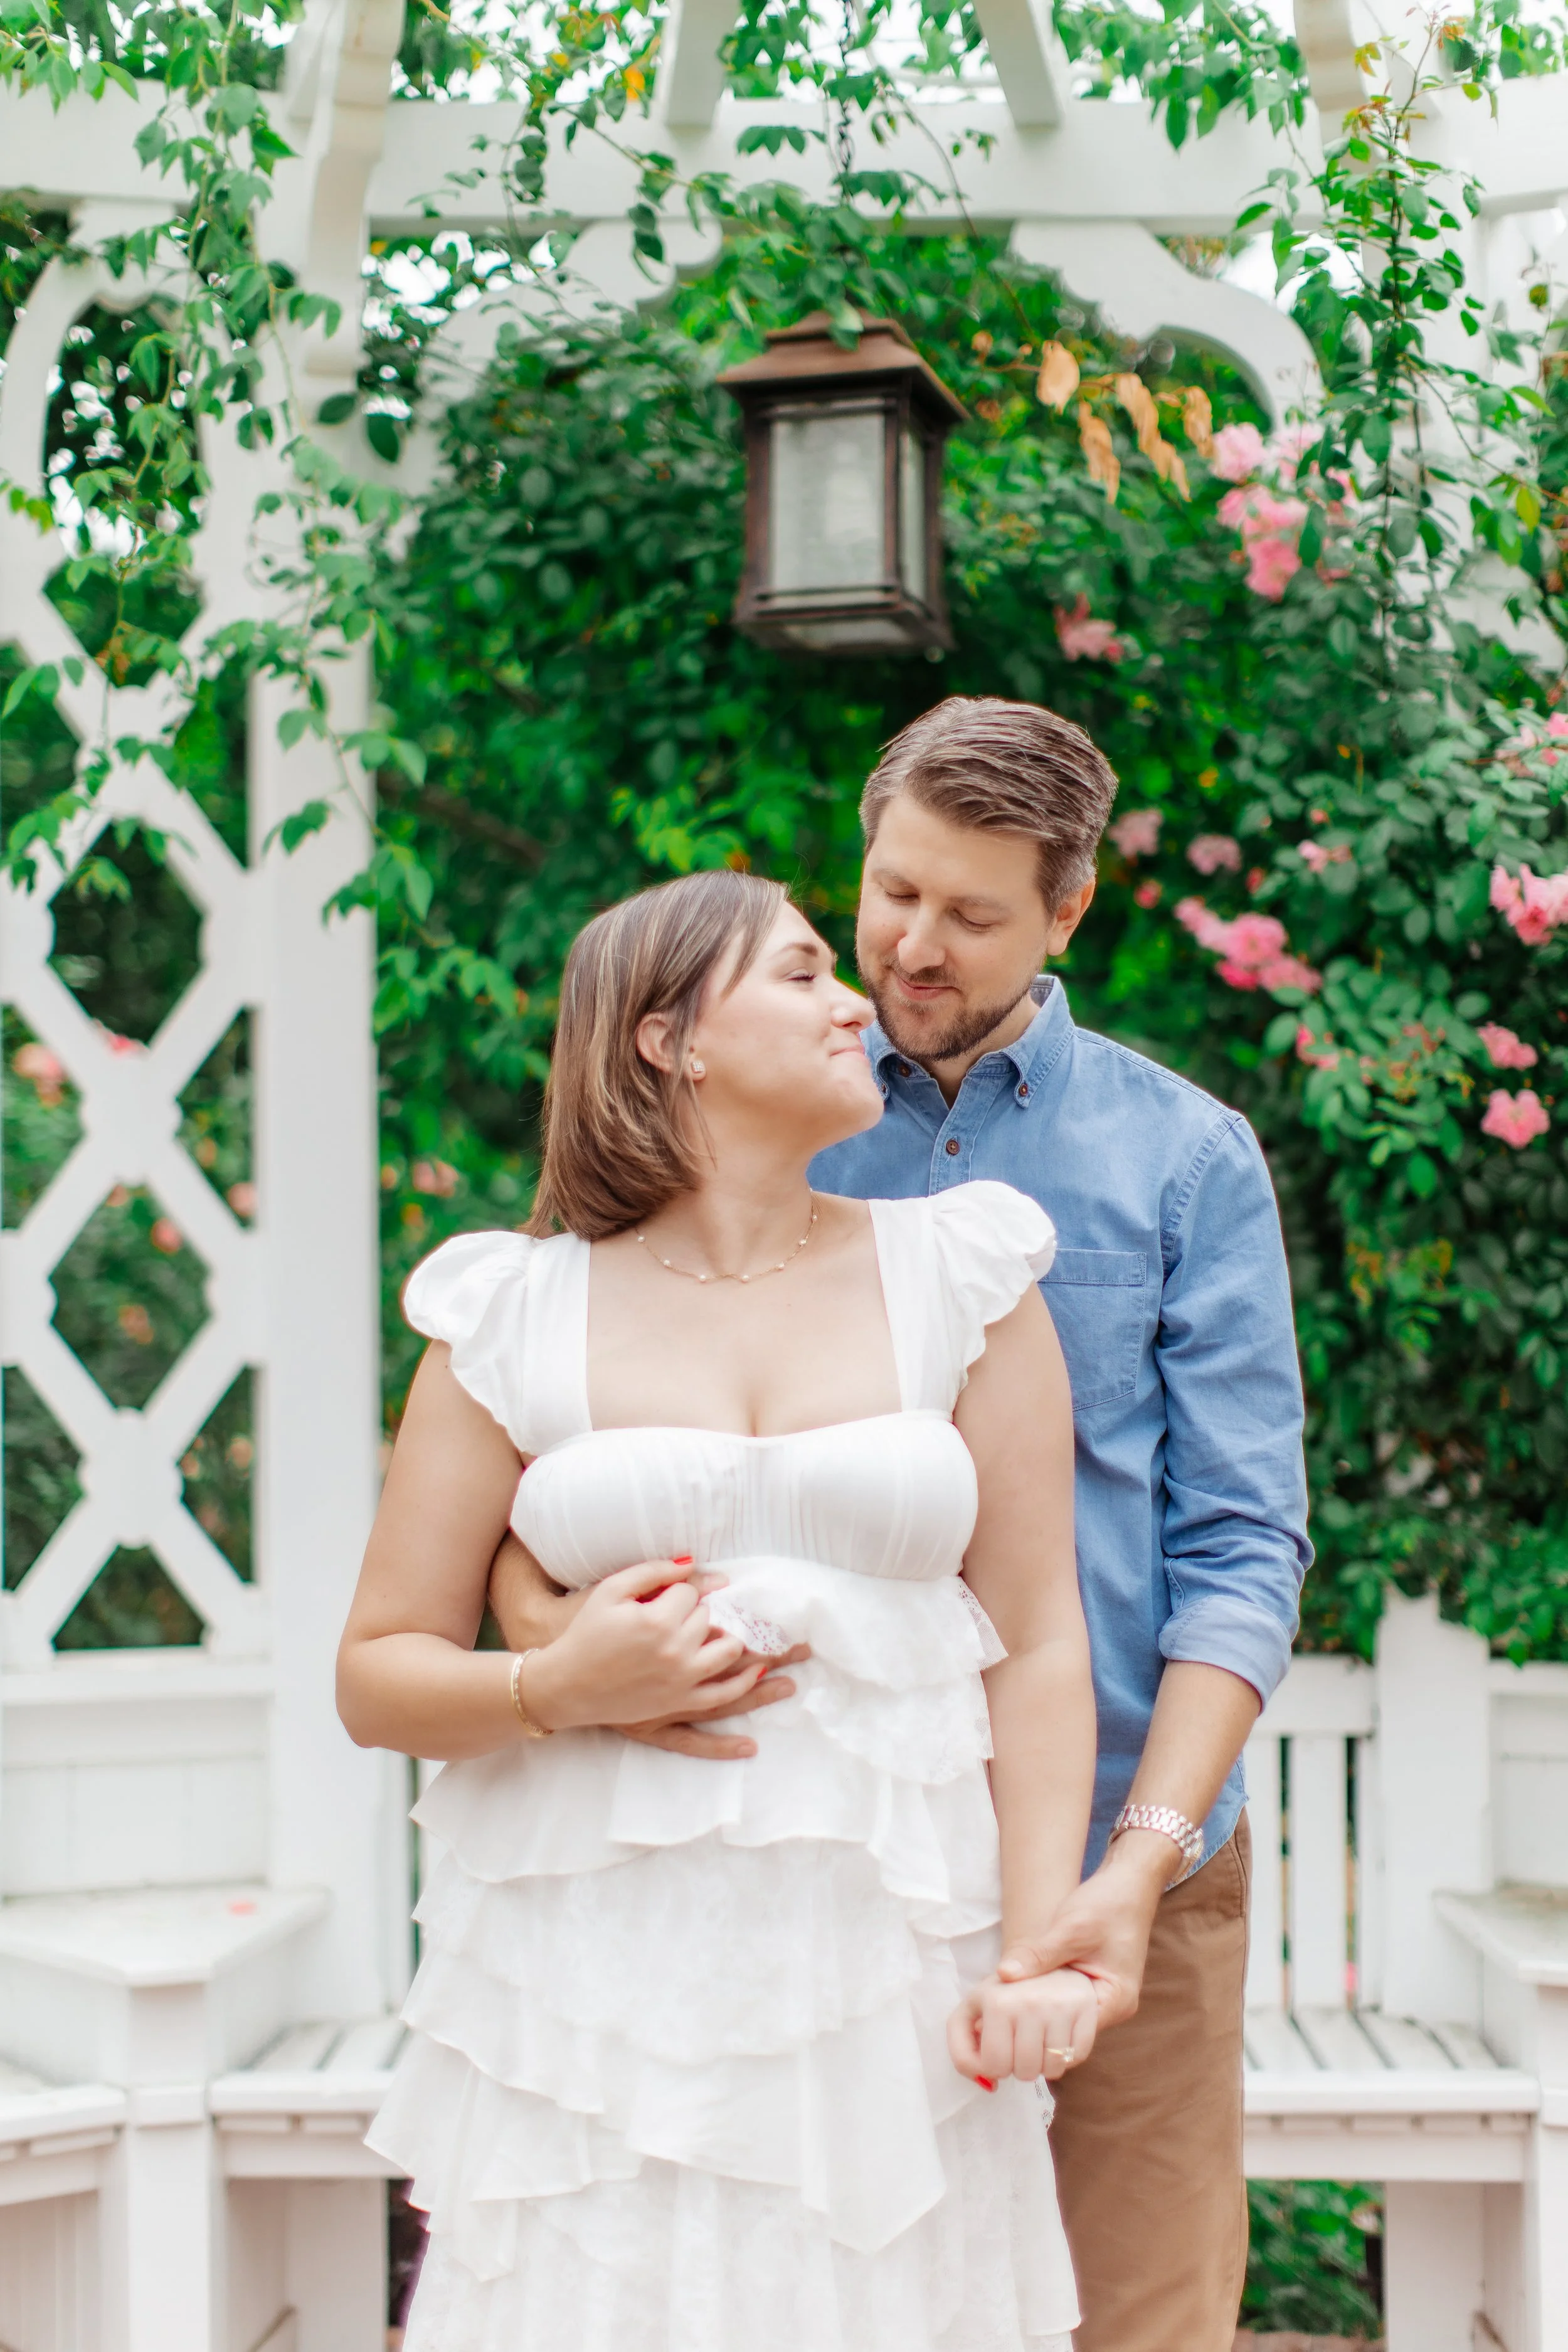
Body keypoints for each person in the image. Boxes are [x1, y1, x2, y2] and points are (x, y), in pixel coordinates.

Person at [492, 697, 1311, 2352]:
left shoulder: (1180, 1158)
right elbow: (559, 1439)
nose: (909, 947)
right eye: (890, 892)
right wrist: (551, 1640)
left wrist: (1140, 1863)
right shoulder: (759, 1107)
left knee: (1140, 2319)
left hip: (1108, 1846)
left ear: (1067, 911)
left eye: (972, 912)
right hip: (820, 1868)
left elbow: (1240, 1547)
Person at [339, 868, 1101, 2350]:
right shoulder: (512, 1312)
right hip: (598, 1992)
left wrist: (1035, 1950)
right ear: (667, 1038)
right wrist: (551, 1689)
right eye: (803, 973)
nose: (852, 1000)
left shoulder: (961, 1276)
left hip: (890, 1972)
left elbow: (1041, 1641)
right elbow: (377, 1673)